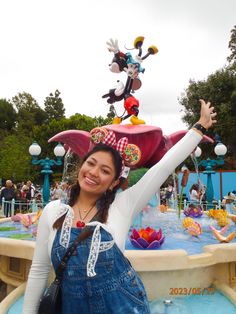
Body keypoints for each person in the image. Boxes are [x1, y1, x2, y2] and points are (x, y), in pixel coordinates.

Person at [23, 99, 216, 313]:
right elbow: (39, 270)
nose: (94, 173)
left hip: (123, 307)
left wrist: (199, 127)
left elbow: (163, 167)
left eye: (105, 171)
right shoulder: (53, 211)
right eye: (91, 163)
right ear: (81, 165)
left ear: (115, 182)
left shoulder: (123, 205)